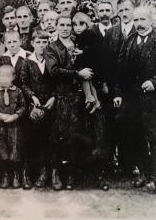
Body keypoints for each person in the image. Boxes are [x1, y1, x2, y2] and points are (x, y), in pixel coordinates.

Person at [45, 15, 92, 191]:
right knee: (59, 135)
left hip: (78, 96)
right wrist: (77, 73)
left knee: (75, 134)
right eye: (61, 25)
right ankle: (56, 172)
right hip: (62, 96)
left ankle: (71, 173)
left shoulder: (78, 46)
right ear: (56, 27)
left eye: (68, 25)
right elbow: (54, 71)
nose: (65, 28)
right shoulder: (52, 48)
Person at [114, 6, 156, 192]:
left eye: (143, 20)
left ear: (151, 21)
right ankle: (144, 173)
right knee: (136, 137)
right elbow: (120, 70)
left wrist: (155, 82)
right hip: (133, 99)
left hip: (155, 100)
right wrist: (117, 93)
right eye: (137, 20)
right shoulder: (129, 41)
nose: (139, 24)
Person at [102, 0, 136, 175]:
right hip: (113, 87)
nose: (124, 13)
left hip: (133, 89)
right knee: (112, 125)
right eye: (121, 10)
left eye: (127, 10)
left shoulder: (140, 30)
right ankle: (110, 165)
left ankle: (128, 166)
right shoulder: (111, 32)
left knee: (130, 127)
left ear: (134, 11)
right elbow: (107, 62)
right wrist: (107, 84)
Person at [20, 30, 55, 188]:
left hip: (49, 105)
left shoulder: (51, 61)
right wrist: (32, 96)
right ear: (32, 43)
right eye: (38, 42)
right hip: (33, 105)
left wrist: (53, 97)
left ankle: (45, 171)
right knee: (31, 138)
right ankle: (26, 173)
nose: (41, 45)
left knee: (48, 138)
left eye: (44, 42)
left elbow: (56, 82)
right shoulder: (27, 62)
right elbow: (24, 83)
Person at [0, 65, 26, 189]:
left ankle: (16, 174)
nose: (4, 79)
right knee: (2, 149)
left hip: (15, 126)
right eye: (1, 76)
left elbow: (23, 107)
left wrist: (15, 116)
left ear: (14, 77)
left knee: (15, 149)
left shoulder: (18, 91)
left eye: (8, 76)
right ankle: (6, 175)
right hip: (0, 126)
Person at [72, 12, 101, 113]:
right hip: (85, 61)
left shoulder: (89, 33)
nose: (78, 28)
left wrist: (82, 51)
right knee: (89, 81)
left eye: (81, 24)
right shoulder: (79, 35)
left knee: (85, 78)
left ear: (87, 25)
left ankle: (89, 97)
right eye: (75, 25)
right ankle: (95, 100)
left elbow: (96, 48)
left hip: (89, 62)